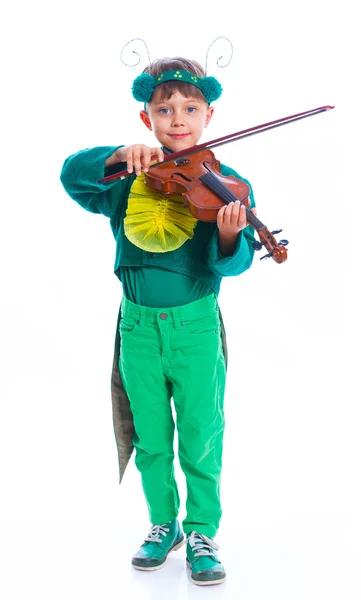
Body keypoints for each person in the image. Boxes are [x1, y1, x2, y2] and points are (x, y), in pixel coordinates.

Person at [60, 55, 256, 586]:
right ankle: (162, 523)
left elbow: (236, 264)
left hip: (194, 329)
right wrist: (120, 155)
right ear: (146, 117)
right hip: (138, 329)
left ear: (208, 115)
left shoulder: (225, 184)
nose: (177, 118)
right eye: (164, 108)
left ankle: (201, 531)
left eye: (190, 108)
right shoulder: (129, 176)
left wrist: (231, 233)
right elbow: (71, 176)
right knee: (149, 437)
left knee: (200, 433)